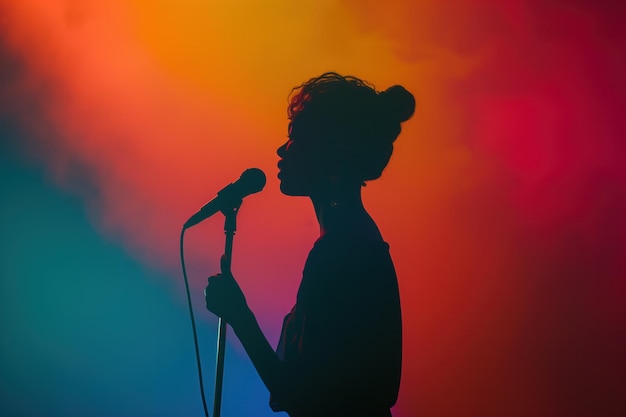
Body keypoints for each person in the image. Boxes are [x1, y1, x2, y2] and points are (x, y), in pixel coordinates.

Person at [205, 72, 415, 416]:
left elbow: (302, 396)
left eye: (295, 136)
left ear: (329, 151)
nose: (281, 148)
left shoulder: (340, 251)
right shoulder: (356, 239)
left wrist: (239, 316)